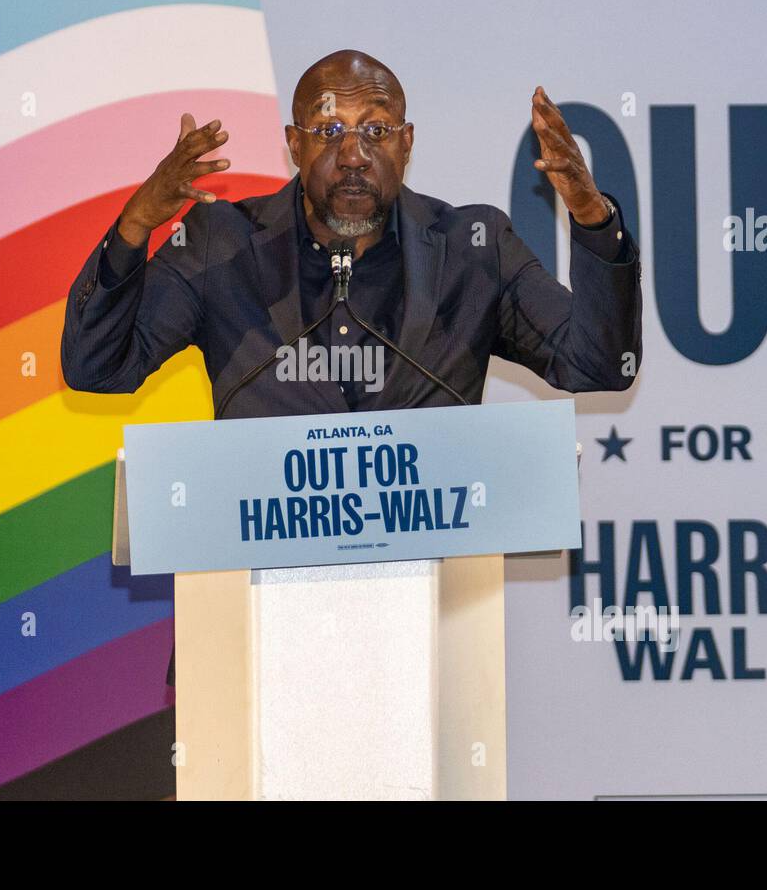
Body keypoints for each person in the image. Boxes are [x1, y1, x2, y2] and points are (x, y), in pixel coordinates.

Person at [60, 49, 644, 685]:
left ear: (407, 142)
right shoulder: (220, 244)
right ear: (293, 143)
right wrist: (135, 226)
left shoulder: (473, 250)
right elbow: (97, 366)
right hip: (247, 654)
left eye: (377, 129)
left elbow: (598, 364)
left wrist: (593, 223)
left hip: (427, 656)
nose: (355, 152)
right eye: (329, 130)